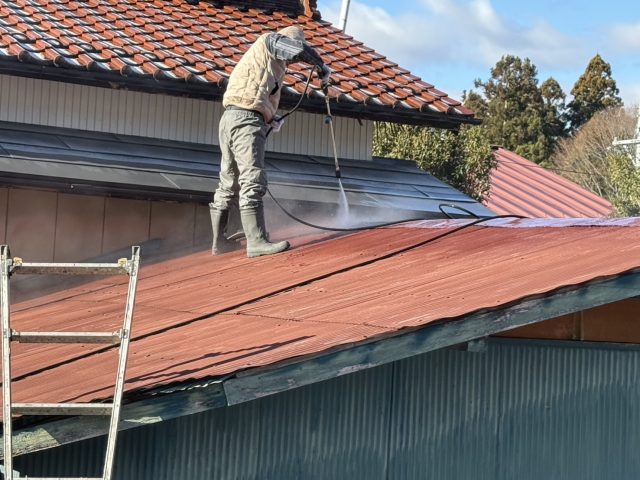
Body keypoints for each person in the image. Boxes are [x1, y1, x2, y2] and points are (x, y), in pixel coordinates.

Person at [210, 25, 331, 258]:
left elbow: (253, 92)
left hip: (232, 117)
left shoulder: (263, 60)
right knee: (252, 178)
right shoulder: (270, 41)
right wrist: (321, 66)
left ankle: (219, 242)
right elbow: (295, 49)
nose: (292, 61)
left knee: (229, 181)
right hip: (245, 120)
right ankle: (256, 242)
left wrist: (269, 116)